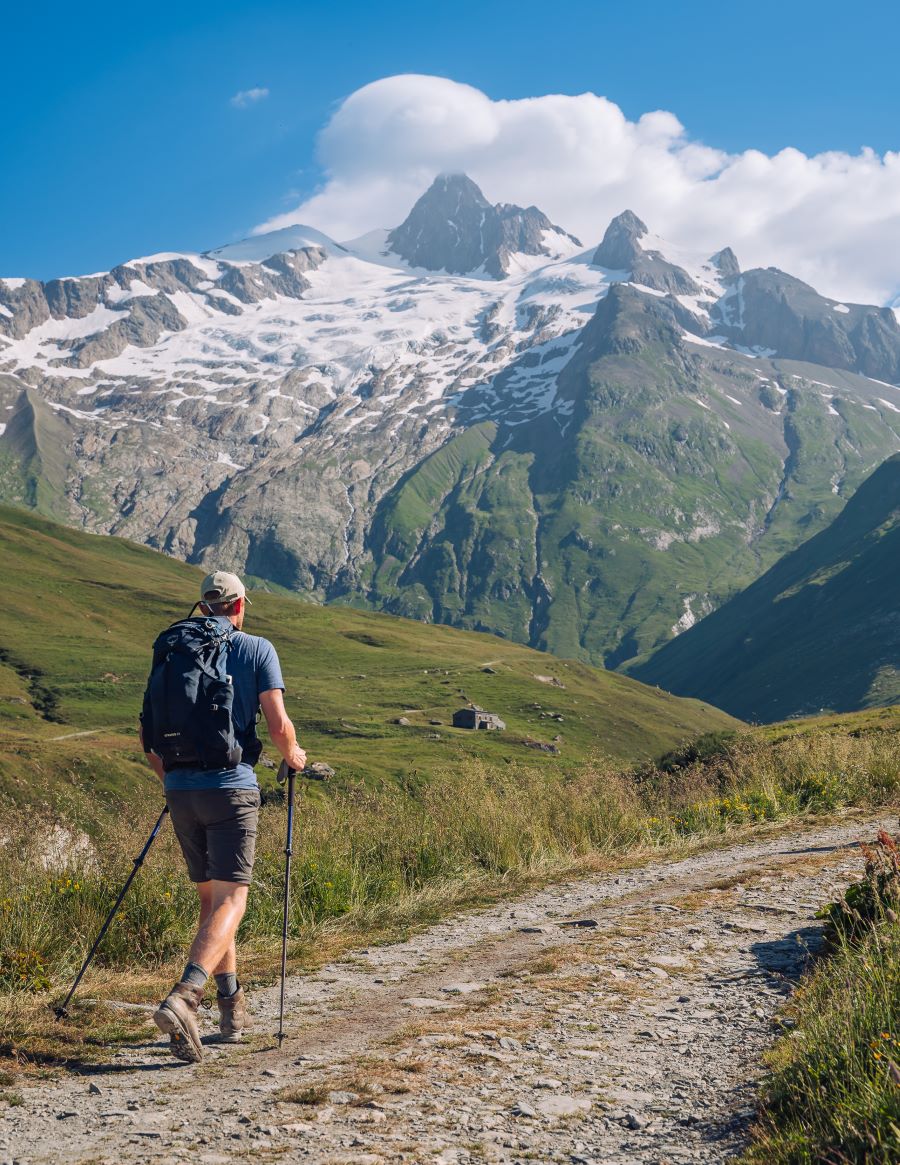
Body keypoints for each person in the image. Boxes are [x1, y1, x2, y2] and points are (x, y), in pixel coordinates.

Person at [139, 571, 306, 1063]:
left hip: (179, 786)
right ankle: (185, 998)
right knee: (234, 899)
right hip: (231, 787)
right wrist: (293, 753)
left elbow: (148, 735)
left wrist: (172, 782)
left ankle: (231, 1008)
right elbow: (276, 723)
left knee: (211, 900)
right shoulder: (256, 648)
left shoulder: (173, 650)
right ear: (239, 606)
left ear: (202, 606)